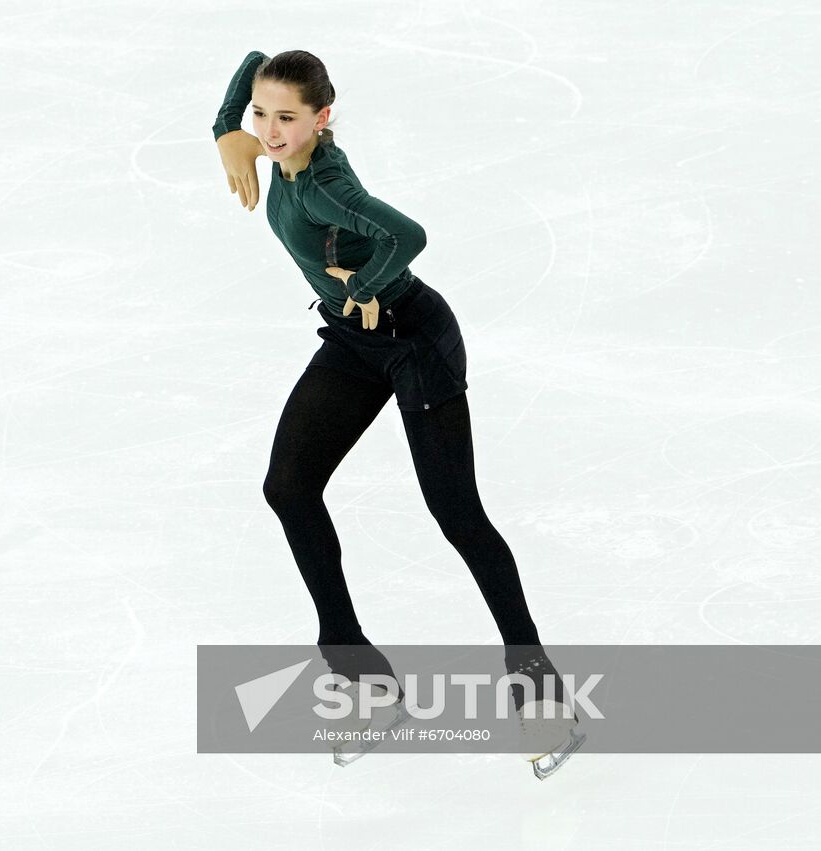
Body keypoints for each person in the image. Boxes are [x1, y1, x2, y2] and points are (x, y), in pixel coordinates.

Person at [211, 50, 577, 746]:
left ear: (322, 118)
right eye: (263, 114)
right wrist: (234, 124)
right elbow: (251, 66)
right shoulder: (270, 146)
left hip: (413, 340)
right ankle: (358, 673)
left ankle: (538, 685)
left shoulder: (325, 185)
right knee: (288, 486)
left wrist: (360, 285)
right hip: (355, 344)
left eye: (287, 117)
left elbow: (407, 236)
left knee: (457, 515)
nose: (269, 129)